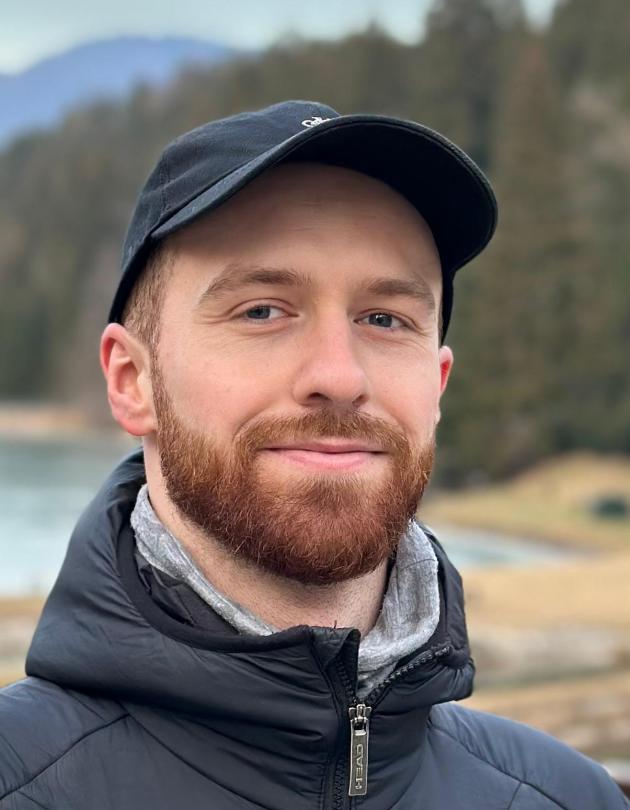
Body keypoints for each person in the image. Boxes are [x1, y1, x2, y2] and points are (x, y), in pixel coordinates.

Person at [0, 100, 627, 810]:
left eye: (384, 319)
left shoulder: (570, 799)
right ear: (132, 381)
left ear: (438, 384)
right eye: (262, 310)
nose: (339, 376)